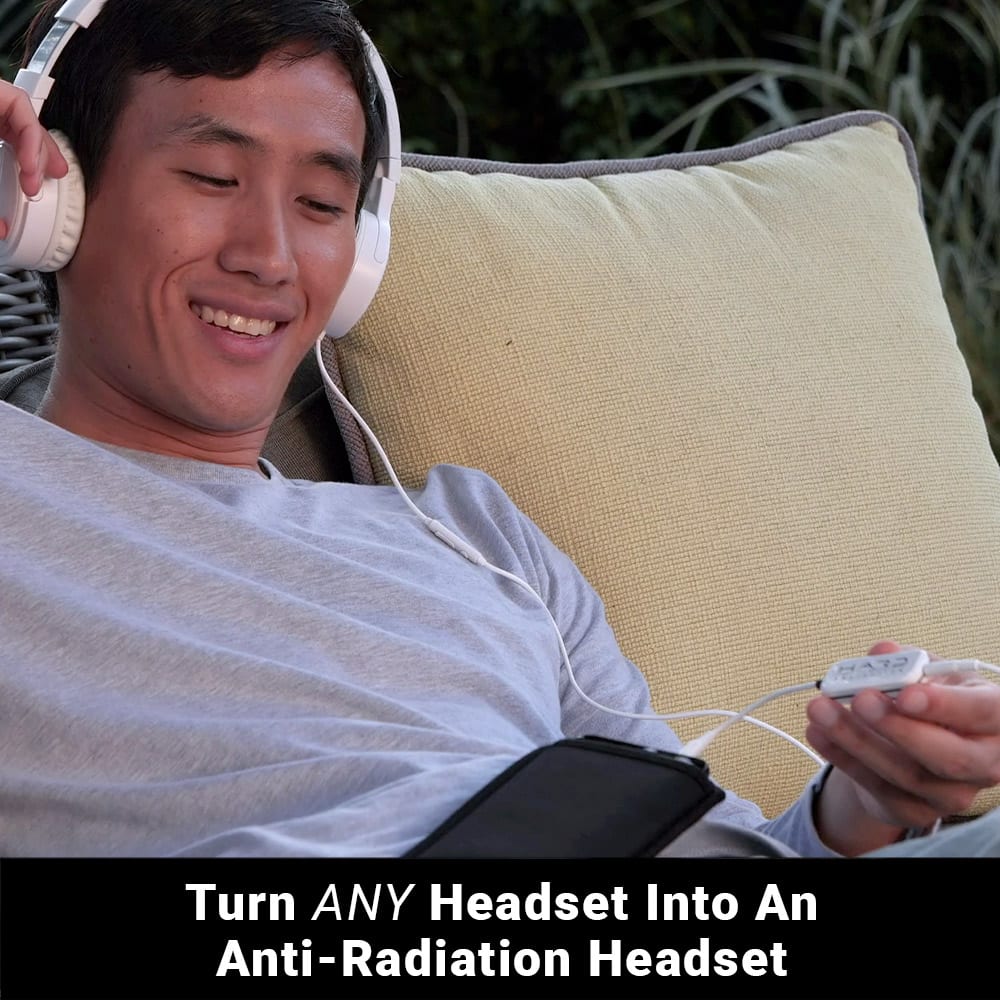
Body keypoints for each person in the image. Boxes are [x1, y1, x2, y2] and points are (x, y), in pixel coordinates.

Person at [1, 0, 999, 859]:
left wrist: (860, 803)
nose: (270, 257)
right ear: (54, 196)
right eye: (213, 179)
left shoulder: (473, 532)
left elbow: (716, 847)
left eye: (320, 203)